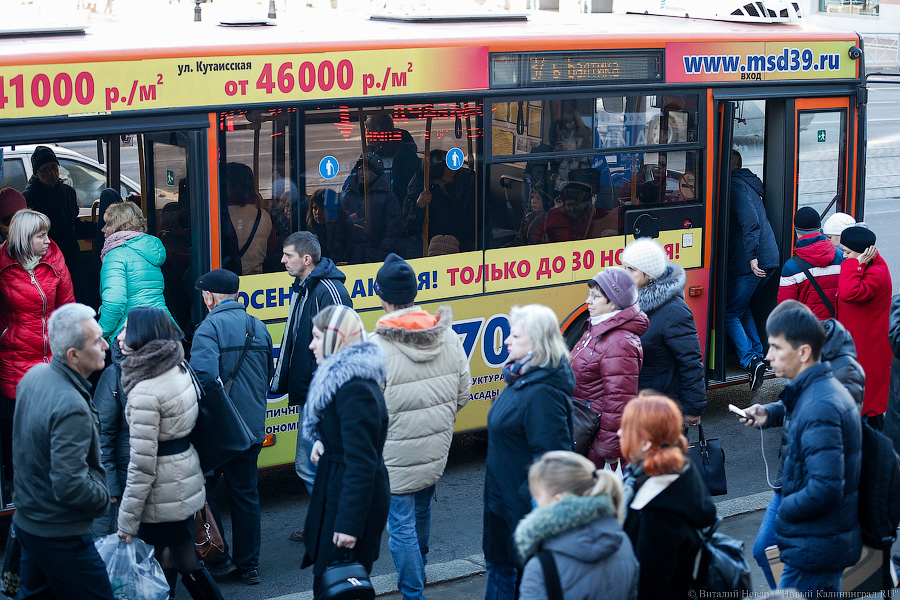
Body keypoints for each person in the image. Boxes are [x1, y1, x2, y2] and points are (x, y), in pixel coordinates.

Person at [740, 306, 862, 595]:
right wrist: (768, 414)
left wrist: (785, 512)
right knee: (766, 554)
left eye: (775, 347)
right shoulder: (813, 390)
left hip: (812, 546)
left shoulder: (821, 403)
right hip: (813, 541)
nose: (767, 356)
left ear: (804, 352)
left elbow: (826, 488)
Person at [370, 254, 471, 600]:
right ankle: (420, 570)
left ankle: (413, 592)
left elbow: (369, 410)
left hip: (394, 454)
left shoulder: (377, 345)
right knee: (423, 509)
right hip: (435, 449)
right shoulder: (447, 335)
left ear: (382, 297)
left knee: (400, 523)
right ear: (414, 293)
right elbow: (463, 393)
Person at [115, 307, 223, 600]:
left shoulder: (145, 391)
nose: (119, 335)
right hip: (182, 475)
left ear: (142, 335)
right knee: (181, 558)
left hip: (162, 488)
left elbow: (141, 463)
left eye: (126, 329)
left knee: (158, 561)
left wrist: (126, 520)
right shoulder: (177, 366)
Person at [11, 303, 113, 600]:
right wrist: (102, 497)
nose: (106, 344)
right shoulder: (71, 407)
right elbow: (70, 483)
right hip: (61, 536)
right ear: (73, 355)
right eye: (96, 341)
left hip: (30, 523)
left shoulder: (34, 376)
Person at [483, 304, 574, 600]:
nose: (507, 341)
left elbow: (553, 461)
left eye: (515, 336)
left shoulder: (542, 391)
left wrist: (519, 499)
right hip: (504, 508)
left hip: (519, 515)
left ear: (535, 343)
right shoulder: (521, 377)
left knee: (509, 580)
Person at [191, 269, 273, 585]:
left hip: (220, 431)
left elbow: (204, 380)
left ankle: (219, 558)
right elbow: (267, 376)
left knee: (204, 490)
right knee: (246, 495)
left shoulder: (208, 329)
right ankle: (249, 566)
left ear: (210, 296)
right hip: (251, 428)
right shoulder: (259, 326)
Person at [301, 304, 390, 595]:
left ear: (336, 338)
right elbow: (350, 436)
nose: (311, 344)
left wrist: (350, 525)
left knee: (337, 586)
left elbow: (361, 462)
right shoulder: (346, 380)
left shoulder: (354, 388)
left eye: (317, 337)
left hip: (349, 504)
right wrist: (324, 442)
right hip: (339, 491)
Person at [270, 231, 352, 541]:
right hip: (315, 391)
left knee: (308, 464)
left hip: (323, 395)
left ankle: (330, 522)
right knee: (315, 462)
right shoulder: (307, 287)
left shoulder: (327, 290)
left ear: (306, 259)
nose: (281, 260)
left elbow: (340, 346)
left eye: (287, 255)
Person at [0, 209, 74, 485]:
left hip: (51, 359)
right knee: (17, 431)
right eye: (41, 235)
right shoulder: (2, 265)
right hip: (14, 357)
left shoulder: (55, 259)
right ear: (23, 238)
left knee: (50, 429)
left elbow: (67, 308)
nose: (47, 240)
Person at [620, 392, 716, 600]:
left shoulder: (656, 511)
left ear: (646, 444)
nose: (619, 433)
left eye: (626, 429)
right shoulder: (678, 477)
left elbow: (649, 585)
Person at [514, 452, 639, 600]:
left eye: (537, 495)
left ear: (558, 500)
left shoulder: (540, 567)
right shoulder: (622, 541)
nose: (534, 500)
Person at [621, 238, 706, 426]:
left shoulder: (674, 311)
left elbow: (691, 362)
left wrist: (693, 408)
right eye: (625, 268)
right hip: (636, 404)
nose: (625, 275)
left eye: (632, 270)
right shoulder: (628, 303)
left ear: (649, 275)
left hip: (662, 409)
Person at [571, 267, 648, 470]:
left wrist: (608, 450)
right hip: (583, 432)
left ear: (613, 303)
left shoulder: (619, 342)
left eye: (594, 297)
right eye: (589, 294)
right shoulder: (596, 328)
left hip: (594, 444)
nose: (588, 301)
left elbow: (619, 403)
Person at [728, 149, 780, 390]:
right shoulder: (749, 184)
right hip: (768, 258)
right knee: (741, 307)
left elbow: (751, 221)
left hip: (754, 262)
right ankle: (757, 355)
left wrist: (751, 257)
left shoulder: (735, 185)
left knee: (729, 313)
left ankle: (750, 361)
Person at [98, 201, 174, 360]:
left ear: (119, 226)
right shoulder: (151, 248)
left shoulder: (115, 255)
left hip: (132, 335)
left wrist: (99, 333)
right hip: (164, 327)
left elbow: (114, 302)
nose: (103, 229)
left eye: (108, 224)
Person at [22, 146, 93, 301]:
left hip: (70, 257)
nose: (51, 173)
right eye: (45, 170)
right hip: (44, 261)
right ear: (36, 173)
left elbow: (74, 224)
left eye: (54, 167)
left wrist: (98, 227)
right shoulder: (28, 198)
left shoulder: (68, 192)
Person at [837, 226, 892, 422]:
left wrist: (855, 264)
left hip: (867, 349)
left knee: (866, 404)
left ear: (863, 254)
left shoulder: (876, 272)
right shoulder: (868, 267)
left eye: (848, 252)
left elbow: (848, 293)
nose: (844, 256)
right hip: (859, 345)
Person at [403, 150, 476, 254]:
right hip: (433, 252)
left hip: (456, 248)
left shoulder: (454, 189)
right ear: (437, 169)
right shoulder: (419, 194)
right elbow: (408, 230)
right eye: (447, 167)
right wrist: (418, 206)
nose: (453, 171)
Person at [777, 207, 843, 320]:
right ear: (819, 228)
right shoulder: (843, 257)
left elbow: (785, 312)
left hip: (808, 333)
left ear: (796, 230)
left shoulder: (791, 267)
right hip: (837, 330)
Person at [341, 152, 402, 263]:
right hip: (352, 257)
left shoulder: (388, 198)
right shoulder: (350, 195)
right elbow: (340, 227)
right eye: (360, 169)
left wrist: (381, 256)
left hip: (377, 256)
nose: (362, 173)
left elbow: (392, 231)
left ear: (376, 173)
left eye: (367, 170)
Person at [92, 358, 128, 537]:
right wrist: (109, 484)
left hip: (160, 479)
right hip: (125, 478)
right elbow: (101, 435)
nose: (120, 336)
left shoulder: (175, 367)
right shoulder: (114, 373)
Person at [225, 162, 278, 275]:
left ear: (234, 185)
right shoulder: (263, 215)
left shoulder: (223, 215)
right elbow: (272, 247)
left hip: (231, 279)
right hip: (257, 279)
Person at [365, 112, 419, 205]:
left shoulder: (401, 154)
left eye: (366, 127)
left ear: (377, 129)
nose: (365, 131)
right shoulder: (370, 153)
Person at [306, 188, 352, 264]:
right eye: (315, 208)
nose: (318, 212)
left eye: (322, 208)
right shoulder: (308, 235)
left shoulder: (348, 232)